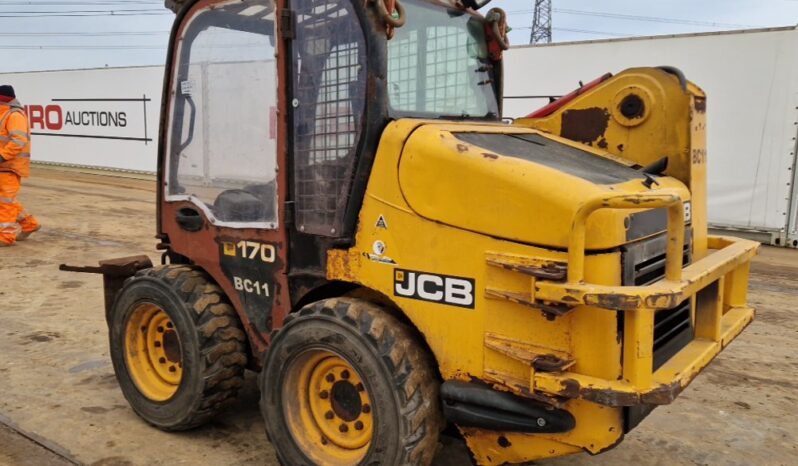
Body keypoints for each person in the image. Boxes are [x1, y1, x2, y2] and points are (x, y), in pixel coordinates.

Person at [0, 85, 39, 247]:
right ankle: (30, 224)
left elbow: (18, 140)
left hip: (9, 166)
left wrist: (2, 156)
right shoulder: (4, 114)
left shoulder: (14, 115)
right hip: (4, 165)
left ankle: (5, 237)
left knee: (5, 201)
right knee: (5, 199)